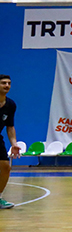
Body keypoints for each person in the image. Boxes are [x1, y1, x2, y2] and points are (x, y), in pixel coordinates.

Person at [0, 75, 20, 209]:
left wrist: (14, 143)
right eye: (3, 83)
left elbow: (10, 126)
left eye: (9, 83)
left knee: (6, 167)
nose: (7, 85)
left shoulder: (11, 104)